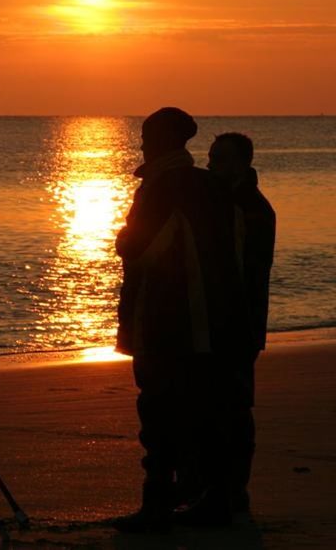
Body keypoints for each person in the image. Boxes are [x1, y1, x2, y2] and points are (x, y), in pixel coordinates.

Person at [113, 108, 241, 533]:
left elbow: (140, 248)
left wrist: (124, 239)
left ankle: (160, 503)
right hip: (206, 321)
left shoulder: (161, 188)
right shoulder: (207, 184)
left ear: (162, 140)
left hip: (165, 318)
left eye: (147, 136)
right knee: (199, 410)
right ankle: (211, 496)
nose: (142, 142)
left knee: (158, 411)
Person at [193, 131, 276, 519]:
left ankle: (229, 493)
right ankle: (218, 491)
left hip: (238, 323)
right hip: (225, 321)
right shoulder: (227, 203)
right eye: (210, 158)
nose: (211, 165)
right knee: (215, 408)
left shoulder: (251, 209)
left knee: (233, 410)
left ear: (243, 163)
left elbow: (243, 272)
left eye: (220, 159)